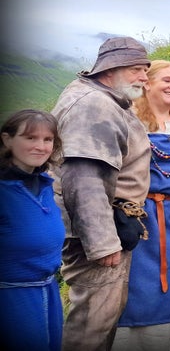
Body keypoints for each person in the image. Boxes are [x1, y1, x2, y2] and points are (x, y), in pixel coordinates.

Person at [51, 36, 152, 350]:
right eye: (137, 69)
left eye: (146, 69)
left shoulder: (105, 100)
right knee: (92, 325)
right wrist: (102, 243)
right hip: (95, 236)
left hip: (111, 225)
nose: (145, 77)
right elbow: (84, 177)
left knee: (101, 319)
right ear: (111, 69)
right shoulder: (92, 103)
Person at [114, 60, 170, 349]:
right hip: (139, 216)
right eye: (167, 80)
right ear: (147, 83)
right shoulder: (130, 120)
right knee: (136, 287)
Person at [0, 110, 64, 351]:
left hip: (47, 294)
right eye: (30, 138)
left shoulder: (44, 185)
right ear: (7, 140)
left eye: (48, 140)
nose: (40, 146)